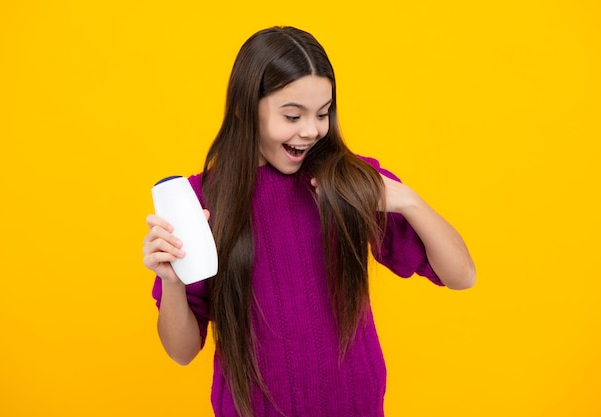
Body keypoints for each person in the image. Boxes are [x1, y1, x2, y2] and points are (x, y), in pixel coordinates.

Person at [142, 26, 475, 417]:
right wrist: (172, 280)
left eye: (323, 113)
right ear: (243, 108)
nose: (311, 130)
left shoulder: (347, 181)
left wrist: (410, 201)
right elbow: (181, 352)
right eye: (292, 115)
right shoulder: (204, 202)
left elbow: (461, 275)